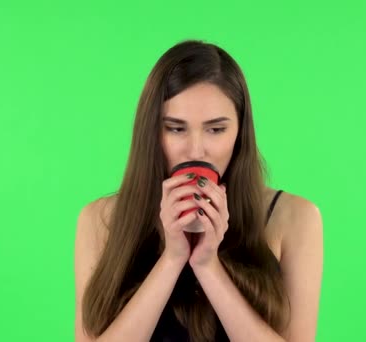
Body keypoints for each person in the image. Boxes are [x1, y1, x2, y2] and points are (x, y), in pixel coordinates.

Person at [74, 39, 323, 342]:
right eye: (176, 128)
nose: (196, 149)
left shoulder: (294, 218)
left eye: (216, 129)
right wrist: (172, 258)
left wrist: (208, 265)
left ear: (240, 134)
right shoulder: (100, 220)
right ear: (152, 132)